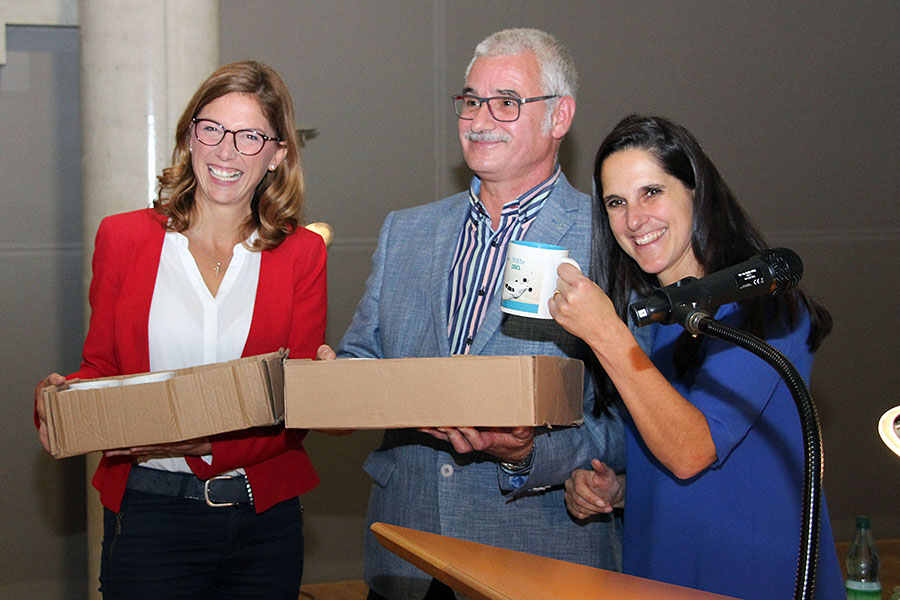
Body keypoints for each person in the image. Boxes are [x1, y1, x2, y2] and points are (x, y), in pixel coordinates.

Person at [318, 28, 628, 600]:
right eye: (470, 100)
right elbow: (366, 357)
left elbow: (634, 420)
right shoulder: (406, 231)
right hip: (405, 552)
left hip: (536, 559)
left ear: (560, 117)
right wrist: (340, 382)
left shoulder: (609, 240)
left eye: (506, 102)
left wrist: (532, 452)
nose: (479, 119)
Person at [33, 61, 326, 599]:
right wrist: (63, 402)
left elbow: (299, 400)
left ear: (278, 153)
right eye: (211, 128)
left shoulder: (302, 254)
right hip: (151, 515)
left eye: (250, 136)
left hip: (264, 520)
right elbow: (102, 367)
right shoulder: (122, 238)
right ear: (190, 135)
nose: (225, 151)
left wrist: (209, 440)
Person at [551, 114, 844, 599]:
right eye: (616, 203)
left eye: (651, 192)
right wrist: (619, 491)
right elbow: (687, 468)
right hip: (663, 575)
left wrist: (606, 333)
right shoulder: (656, 326)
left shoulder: (767, 308)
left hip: (755, 580)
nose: (634, 219)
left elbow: (691, 451)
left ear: (695, 192)